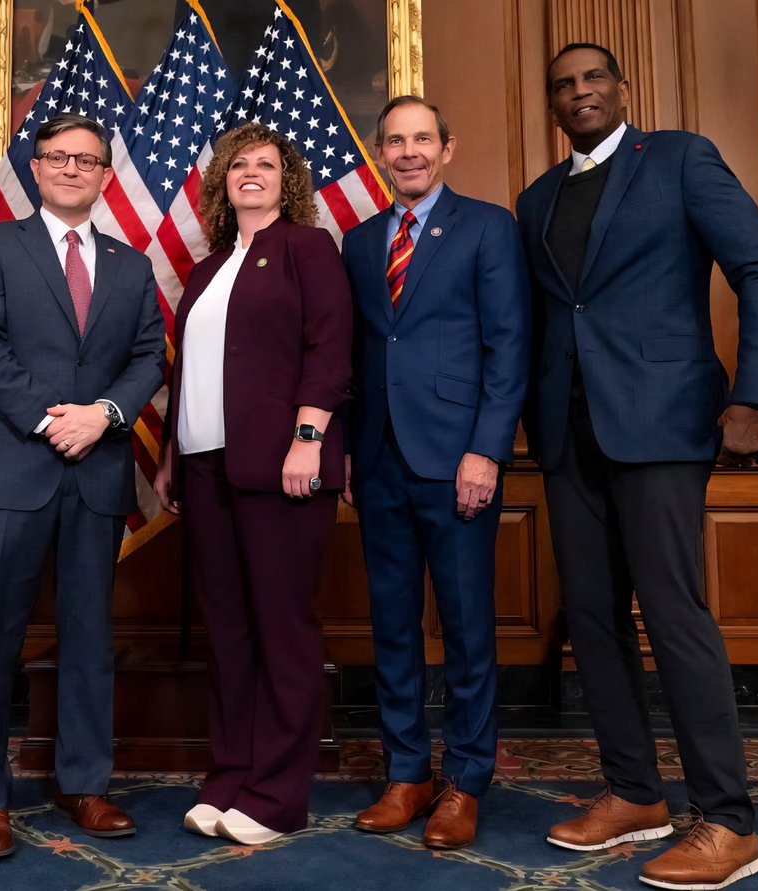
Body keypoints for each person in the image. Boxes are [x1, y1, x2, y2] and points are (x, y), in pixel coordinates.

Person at [516, 43, 758, 890]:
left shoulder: (678, 158)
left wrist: (752, 397)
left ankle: (729, 820)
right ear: (553, 106)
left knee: (673, 613)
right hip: (567, 435)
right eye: (564, 86)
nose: (579, 93)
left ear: (621, 88)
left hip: (664, 424)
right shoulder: (535, 199)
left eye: (593, 78)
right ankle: (635, 792)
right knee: (593, 619)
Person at [0, 112, 165, 860]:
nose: (73, 169)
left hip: (97, 473)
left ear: (107, 176)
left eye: (89, 160)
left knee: (88, 636)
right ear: (36, 168)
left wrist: (104, 415)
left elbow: (148, 358)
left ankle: (85, 782)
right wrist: (51, 423)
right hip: (12, 463)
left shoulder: (133, 264)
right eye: (59, 157)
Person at [153, 123, 352, 845]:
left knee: (282, 630)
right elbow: (192, 371)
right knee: (229, 631)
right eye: (240, 164)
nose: (252, 172)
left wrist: (308, 437)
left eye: (266, 164)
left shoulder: (307, 249)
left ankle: (276, 794)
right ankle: (231, 774)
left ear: (287, 180)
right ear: (222, 182)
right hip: (205, 467)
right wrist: (174, 455)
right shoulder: (206, 269)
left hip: (282, 468)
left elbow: (329, 349)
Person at [342, 97, 530, 849]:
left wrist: (487, 449)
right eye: (396, 141)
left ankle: (466, 780)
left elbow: (508, 345)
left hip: (459, 461)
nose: (409, 151)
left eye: (423, 139)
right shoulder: (359, 242)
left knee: (465, 630)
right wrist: (354, 451)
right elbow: (359, 357)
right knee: (391, 626)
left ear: (447, 149)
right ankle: (407, 771)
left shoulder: (487, 227)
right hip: (382, 458)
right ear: (380, 153)